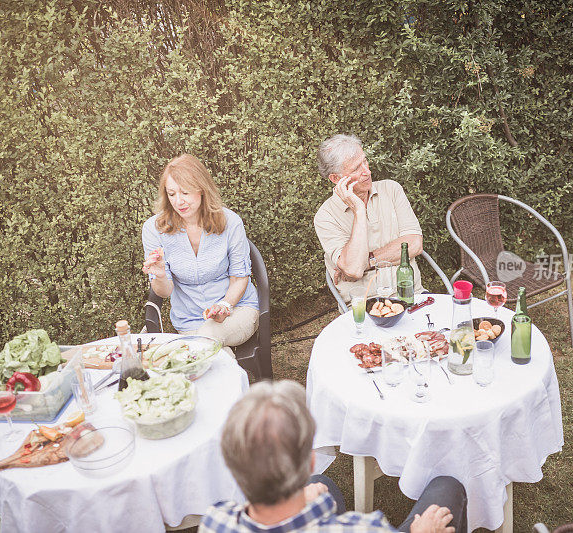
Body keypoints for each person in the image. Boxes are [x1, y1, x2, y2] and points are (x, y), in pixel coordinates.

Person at [200, 380, 467, 533]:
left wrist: (301, 500)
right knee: (448, 487)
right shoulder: (363, 528)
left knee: (322, 485)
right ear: (310, 460)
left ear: (233, 468)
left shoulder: (215, 521)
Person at [141, 153, 259, 347]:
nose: (178, 201)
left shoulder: (231, 222)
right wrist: (161, 275)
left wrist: (224, 306)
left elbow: (240, 278)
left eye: (185, 192)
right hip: (190, 321)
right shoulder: (153, 229)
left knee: (207, 338)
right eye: (172, 194)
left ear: (201, 190)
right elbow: (164, 292)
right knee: (213, 355)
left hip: (237, 310)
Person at [314, 134, 425, 303]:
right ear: (336, 179)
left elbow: (414, 244)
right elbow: (353, 269)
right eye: (356, 168)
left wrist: (367, 262)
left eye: (365, 161)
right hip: (366, 306)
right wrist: (358, 210)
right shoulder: (325, 216)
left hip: (412, 296)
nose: (367, 171)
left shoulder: (391, 189)